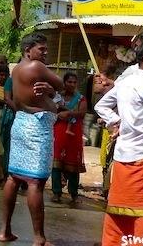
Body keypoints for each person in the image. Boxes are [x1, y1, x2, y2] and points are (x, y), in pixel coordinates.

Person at [95, 40, 143, 246]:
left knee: (118, 212)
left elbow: (101, 106)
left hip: (122, 157)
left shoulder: (125, 81)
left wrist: (116, 122)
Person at [0, 32, 61, 246]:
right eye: (41, 49)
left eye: (46, 49)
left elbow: (18, 99)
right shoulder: (36, 67)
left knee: (14, 177)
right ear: (28, 50)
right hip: (36, 126)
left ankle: (5, 230)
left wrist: (49, 92)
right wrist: (52, 90)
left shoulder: (15, 69)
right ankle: (39, 237)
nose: (45, 52)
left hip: (22, 122)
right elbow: (61, 83)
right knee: (35, 181)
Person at [51, 72, 87, 206]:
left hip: (74, 134)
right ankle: (56, 192)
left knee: (73, 164)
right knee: (56, 163)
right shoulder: (57, 97)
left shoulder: (80, 99)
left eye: (74, 82)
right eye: (69, 82)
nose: (72, 84)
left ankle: (73, 193)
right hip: (59, 131)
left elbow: (82, 113)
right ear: (64, 83)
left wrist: (69, 112)